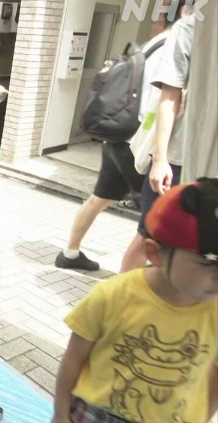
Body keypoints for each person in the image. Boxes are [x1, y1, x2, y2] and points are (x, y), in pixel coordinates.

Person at [53, 178, 217, 423]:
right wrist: (61, 413)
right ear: (155, 252)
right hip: (98, 415)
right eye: (211, 262)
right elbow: (73, 359)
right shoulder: (112, 296)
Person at [55, 19, 179, 272]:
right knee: (151, 223)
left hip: (117, 136)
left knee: (99, 198)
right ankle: (129, 288)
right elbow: (156, 105)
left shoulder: (151, 44)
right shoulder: (173, 48)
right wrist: (157, 153)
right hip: (137, 144)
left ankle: (70, 252)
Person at [121, 3, 195, 272]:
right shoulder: (185, 32)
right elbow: (166, 98)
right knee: (148, 235)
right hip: (172, 155)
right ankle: (120, 304)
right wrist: (160, 158)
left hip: (163, 145)